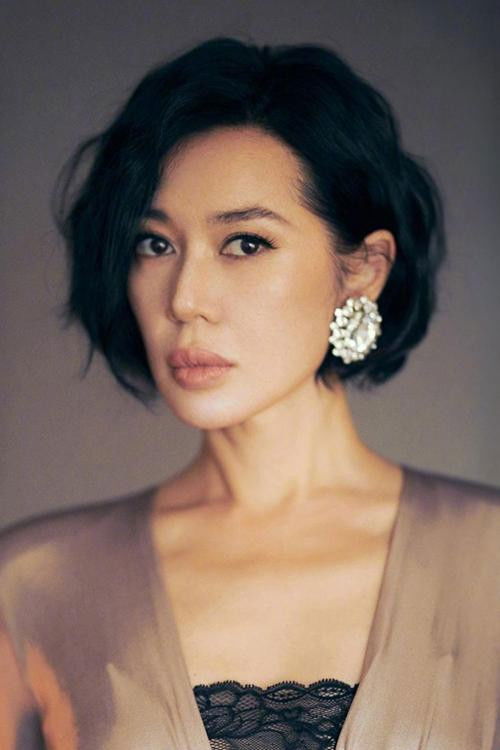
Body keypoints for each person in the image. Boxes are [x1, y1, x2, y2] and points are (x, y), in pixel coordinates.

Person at [0, 35, 498, 750]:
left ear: (362, 270)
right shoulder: (35, 586)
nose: (185, 299)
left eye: (245, 243)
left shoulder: (488, 564)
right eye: (155, 244)